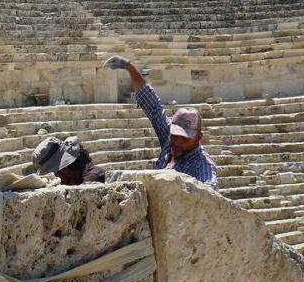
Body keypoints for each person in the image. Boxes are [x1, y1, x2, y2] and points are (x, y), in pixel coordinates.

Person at [103, 55, 218, 186]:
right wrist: (129, 67)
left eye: (185, 138)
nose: (177, 142)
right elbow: (153, 106)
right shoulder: (169, 139)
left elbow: (211, 187)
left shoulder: (202, 165)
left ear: (198, 137)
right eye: (175, 135)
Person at [32, 135, 106, 185]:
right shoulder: (76, 178)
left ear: (64, 169)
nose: (55, 176)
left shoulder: (92, 178)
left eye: (56, 173)